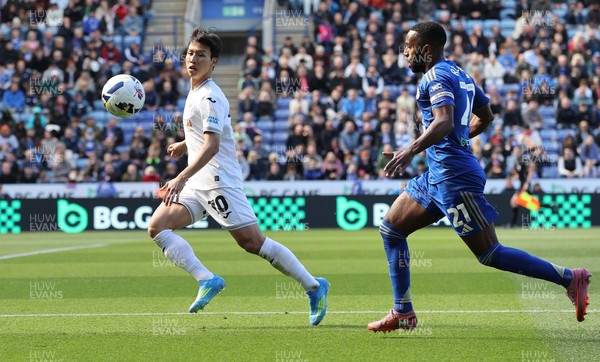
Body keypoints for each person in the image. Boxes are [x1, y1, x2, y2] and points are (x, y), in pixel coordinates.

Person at [367, 22, 591, 333]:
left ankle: (570, 277)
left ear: (426, 50)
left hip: (454, 176)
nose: (404, 51)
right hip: (438, 174)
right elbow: (486, 116)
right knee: (391, 228)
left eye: (408, 45)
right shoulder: (460, 73)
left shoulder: (434, 76)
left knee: (489, 253)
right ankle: (402, 311)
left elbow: (444, 121)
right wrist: (460, 137)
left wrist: (412, 149)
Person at [147, 28, 329, 325]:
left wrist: (180, 177)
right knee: (157, 227)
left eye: (201, 55)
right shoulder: (195, 90)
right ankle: (207, 279)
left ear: (214, 62)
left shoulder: (210, 97)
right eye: (191, 53)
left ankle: (313, 285)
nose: (193, 59)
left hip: (218, 180)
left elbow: (213, 144)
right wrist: (185, 143)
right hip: (199, 182)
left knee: (252, 243)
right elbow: (212, 131)